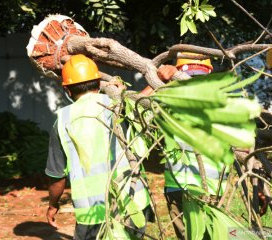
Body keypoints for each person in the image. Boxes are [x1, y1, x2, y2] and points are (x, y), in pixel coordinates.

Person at [45, 54, 153, 240]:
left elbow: (57, 176)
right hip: (132, 204)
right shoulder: (119, 105)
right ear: (98, 82)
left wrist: (53, 204)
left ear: (67, 89)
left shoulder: (63, 121)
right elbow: (143, 101)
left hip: (92, 213)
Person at [142, 52, 229, 239]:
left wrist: (156, 83)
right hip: (193, 188)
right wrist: (157, 81)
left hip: (192, 188)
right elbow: (135, 109)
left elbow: (137, 105)